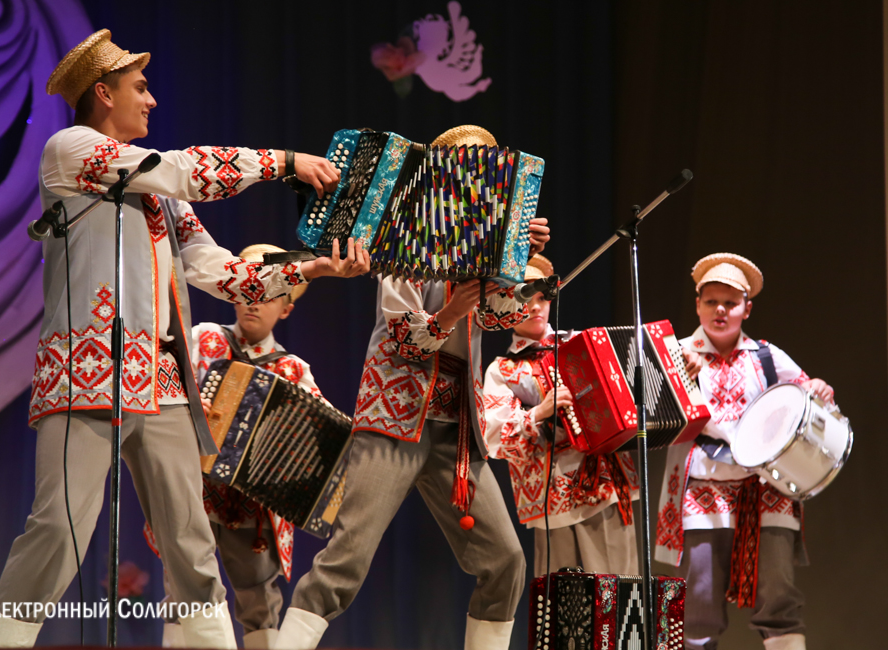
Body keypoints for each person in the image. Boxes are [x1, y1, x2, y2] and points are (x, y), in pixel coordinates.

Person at [0, 29, 368, 648]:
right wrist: (284, 162)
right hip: (88, 372)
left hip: (162, 382)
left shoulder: (159, 192)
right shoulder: (72, 148)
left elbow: (223, 272)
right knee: (60, 526)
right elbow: (184, 171)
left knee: (191, 537)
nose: (153, 100)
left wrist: (311, 270)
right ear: (102, 94)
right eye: (141, 88)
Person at [274, 126, 551, 650]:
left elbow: (500, 317)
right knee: (347, 559)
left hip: (456, 429)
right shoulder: (407, 237)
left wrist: (519, 262)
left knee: (505, 561)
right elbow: (402, 337)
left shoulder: (490, 244)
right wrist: (450, 311)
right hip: (395, 420)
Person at [153, 243, 327, 649]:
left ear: (285, 309)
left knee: (259, 597)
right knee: (182, 588)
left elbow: (319, 438)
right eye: (248, 291)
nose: (254, 302)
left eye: (267, 295)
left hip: (253, 508)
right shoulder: (203, 338)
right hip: (196, 492)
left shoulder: (294, 370)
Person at [655, 253, 834, 650]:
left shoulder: (767, 357)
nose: (720, 310)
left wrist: (819, 389)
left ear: (746, 309)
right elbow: (655, 418)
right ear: (697, 305)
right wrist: (678, 380)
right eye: (710, 302)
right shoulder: (676, 355)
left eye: (730, 303)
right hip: (706, 487)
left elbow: (807, 397)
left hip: (764, 488)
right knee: (697, 602)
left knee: (779, 597)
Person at [482, 254, 639, 578]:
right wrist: (538, 413)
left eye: (542, 297)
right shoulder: (502, 370)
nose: (536, 306)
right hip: (548, 500)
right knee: (558, 610)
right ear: (503, 306)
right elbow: (493, 438)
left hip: (604, 488)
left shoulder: (585, 344)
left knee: (617, 599)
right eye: (525, 297)